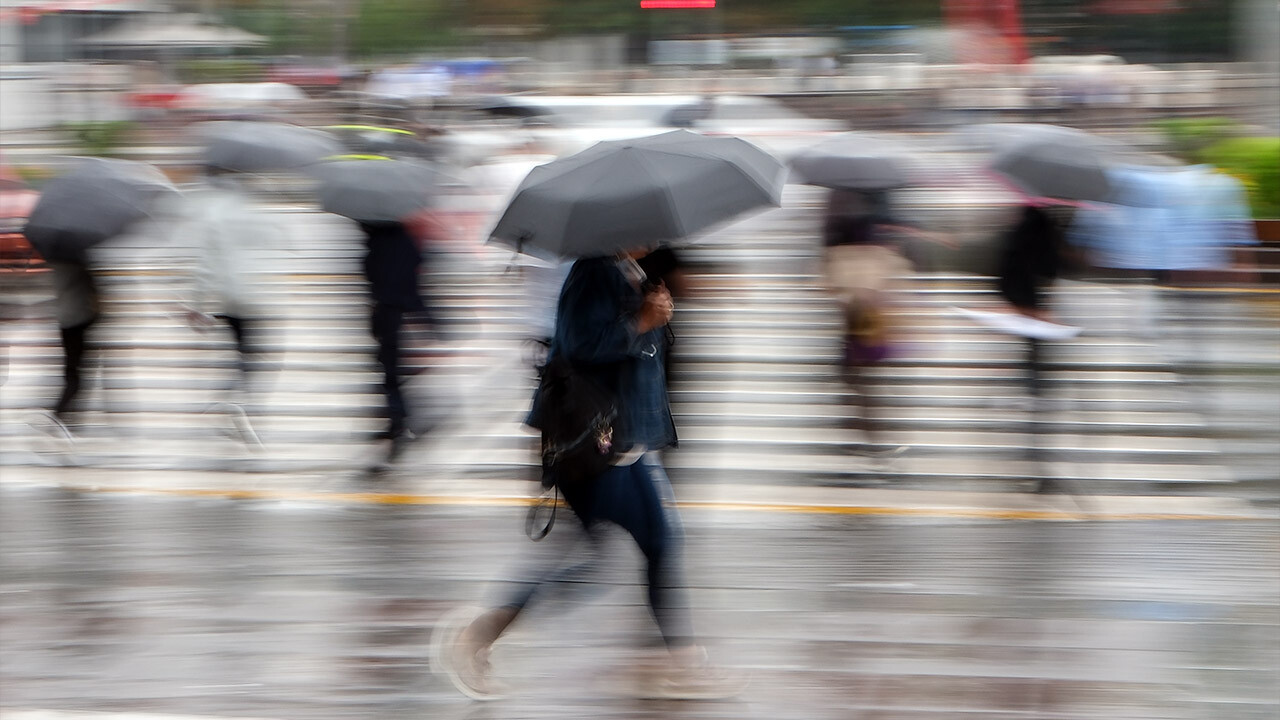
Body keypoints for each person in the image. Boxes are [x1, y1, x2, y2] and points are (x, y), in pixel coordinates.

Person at [434, 250, 742, 701]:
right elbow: (579, 343)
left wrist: (654, 315)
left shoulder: (626, 268)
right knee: (649, 546)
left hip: (623, 442)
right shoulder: (593, 271)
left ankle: (483, 633)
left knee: (639, 550)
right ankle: (480, 635)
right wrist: (641, 321)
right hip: (598, 445)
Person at [820, 188, 936, 458]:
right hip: (867, 309)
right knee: (859, 373)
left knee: (858, 373)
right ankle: (870, 430)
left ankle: (874, 434)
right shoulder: (879, 224)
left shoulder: (849, 223)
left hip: (862, 309)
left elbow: (842, 274)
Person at [359, 220, 426, 463]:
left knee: (389, 367)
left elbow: (369, 270)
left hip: (386, 309)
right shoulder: (404, 234)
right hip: (403, 305)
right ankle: (399, 415)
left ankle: (398, 417)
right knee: (393, 364)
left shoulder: (377, 239)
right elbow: (418, 260)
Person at [48, 256, 99, 425]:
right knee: (76, 375)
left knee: (71, 371)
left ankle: (65, 414)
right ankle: (60, 414)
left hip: (65, 322)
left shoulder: (57, 265)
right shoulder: (80, 266)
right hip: (80, 321)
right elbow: (92, 293)